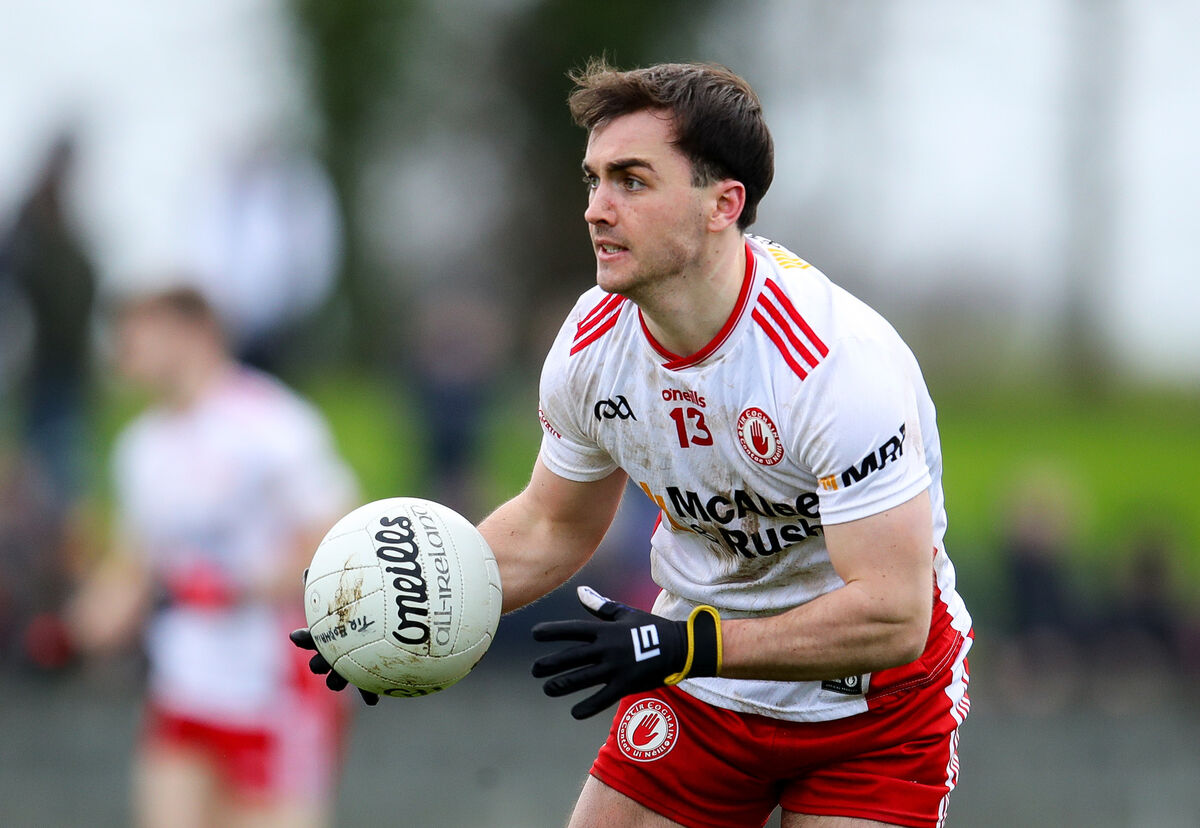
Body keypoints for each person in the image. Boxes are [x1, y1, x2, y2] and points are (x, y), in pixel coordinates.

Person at [296, 60, 974, 828]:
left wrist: (684, 646)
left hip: (873, 710)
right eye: (593, 180)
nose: (596, 208)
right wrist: (410, 608)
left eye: (632, 180)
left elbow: (891, 615)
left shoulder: (832, 365)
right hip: (702, 685)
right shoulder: (592, 346)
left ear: (724, 204)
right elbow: (553, 525)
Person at [69, 287, 357, 828]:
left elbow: (339, 539)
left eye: (140, 330)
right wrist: (77, 628)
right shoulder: (141, 446)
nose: (124, 348)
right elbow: (137, 564)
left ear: (193, 332)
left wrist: (239, 586)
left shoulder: (271, 422)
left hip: (275, 685)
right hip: (185, 683)